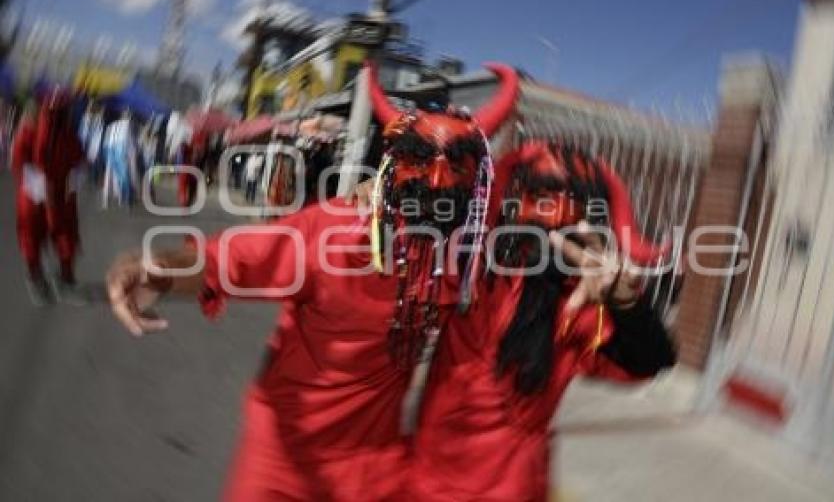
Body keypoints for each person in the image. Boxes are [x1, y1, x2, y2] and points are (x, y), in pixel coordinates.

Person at [104, 60, 519, 501]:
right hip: (284, 459)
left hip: (374, 468)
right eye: (421, 160)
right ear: (393, 166)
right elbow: (234, 259)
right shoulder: (335, 231)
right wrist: (160, 268)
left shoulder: (471, 250)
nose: (437, 180)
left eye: (457, 166)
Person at [406, 142, 677, 501]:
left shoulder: (577, 302)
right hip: (424, 475)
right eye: (543, 196)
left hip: (508, 487)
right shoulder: (469, 267)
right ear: (516, 199)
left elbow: (648, 362)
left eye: (574, 203)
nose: (557, 216)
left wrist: (628, 305)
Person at [13, 93, 86, 305]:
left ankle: (65, 279)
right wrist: (39, 187)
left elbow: (79, 160)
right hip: (35, 196)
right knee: (32, 238)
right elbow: (20, 160)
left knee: (66, 237)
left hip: (61, 196)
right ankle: (37, 280)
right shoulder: (30, 129)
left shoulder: (68, 132)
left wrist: (74, 179)